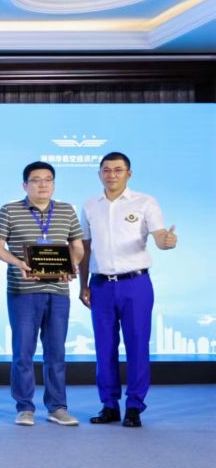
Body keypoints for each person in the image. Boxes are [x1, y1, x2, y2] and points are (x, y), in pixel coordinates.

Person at [78, 152, 177, 428]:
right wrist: (83, 284)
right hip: (100, 284)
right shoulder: (89, 205)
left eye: (118, 170)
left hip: (136, 284)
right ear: (99, 173)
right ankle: (109, 405)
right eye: (106, 170)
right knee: (104, 348)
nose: (112, 175)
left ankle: (134, 406)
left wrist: (166, 241)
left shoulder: (145, 202)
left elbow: (159, 235)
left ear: (128, 174)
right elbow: (85, 247)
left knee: (137, 345)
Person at [0, 161, 84, 427]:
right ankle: (24, 407)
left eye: (48, 179)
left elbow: (77, 247)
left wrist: (73, 264)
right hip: (23, 291)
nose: (42, 184)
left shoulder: (66, 210)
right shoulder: (9, 210)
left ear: (53, 183)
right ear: (25, 185)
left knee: (56, 352)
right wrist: (19, 263)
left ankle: (57, 407)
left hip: (58, 290)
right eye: (36, 180)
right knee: (23, 352)